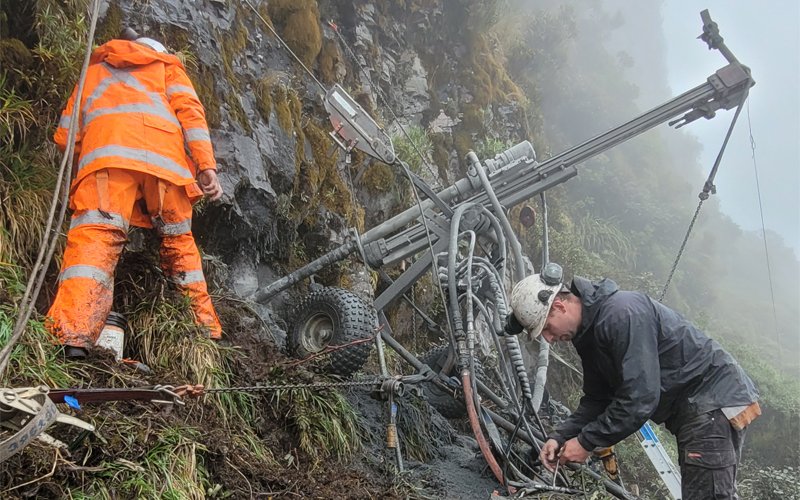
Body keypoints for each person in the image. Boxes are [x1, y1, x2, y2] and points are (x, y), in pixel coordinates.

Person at [507, 263, 760, 500]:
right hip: (698, 405)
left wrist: (585, 442)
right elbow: (598, 399)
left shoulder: (621, 313)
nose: (549, 339)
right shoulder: (589, 335)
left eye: (547, 328)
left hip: (712, 399)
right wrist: (561, 436)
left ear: (559, 306)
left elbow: (640, 398)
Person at [47, 28, 224, 358]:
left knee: (94, 241)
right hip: (165, 166)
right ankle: (205, 331)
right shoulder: (167, 67)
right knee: (179, 241)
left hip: (107, 163)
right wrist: (206, 167)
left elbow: (66, 136)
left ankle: (73, 338)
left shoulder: (93, 71)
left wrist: (84, 165)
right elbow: (192, 115)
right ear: (158, 50)